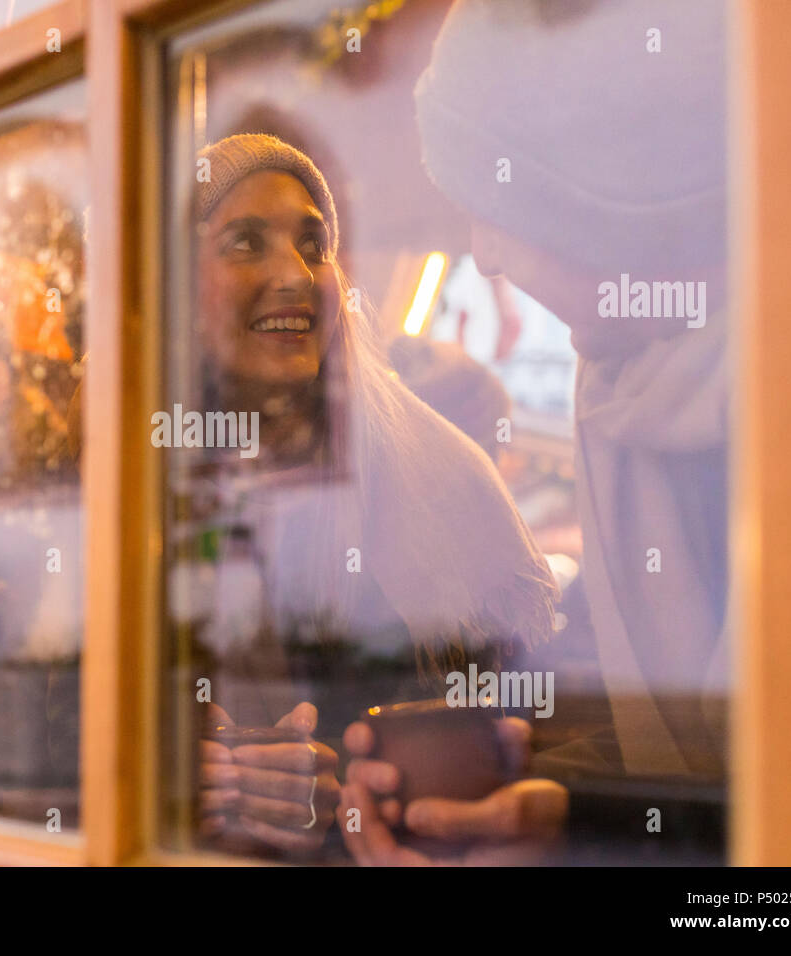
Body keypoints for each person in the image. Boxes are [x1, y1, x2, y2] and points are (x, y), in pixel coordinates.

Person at [340, 0, 731, 864]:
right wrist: (543, 793)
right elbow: (660, 745)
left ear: (607, 197)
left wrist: (586, 825)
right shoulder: (622, 387)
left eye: (498, 207)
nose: (482, 256)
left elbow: (788, 818)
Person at [181, 133, 563, 858]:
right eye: (243, 243)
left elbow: (545, 733)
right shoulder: (127, 484)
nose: (294, 273)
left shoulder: (444, 475)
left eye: (313, 243)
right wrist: (170, 779)